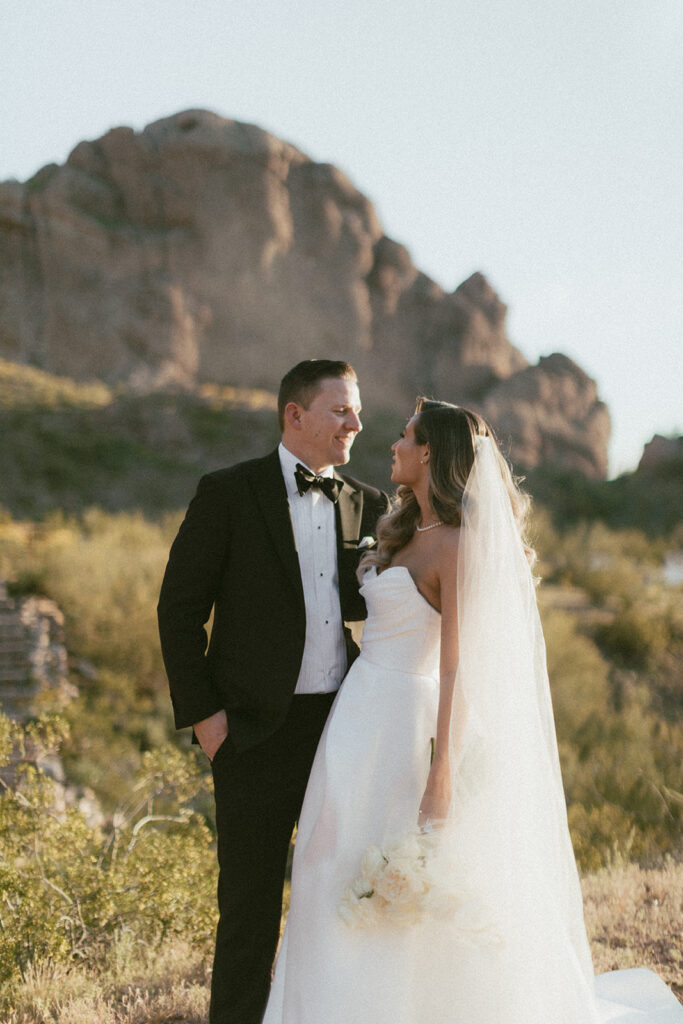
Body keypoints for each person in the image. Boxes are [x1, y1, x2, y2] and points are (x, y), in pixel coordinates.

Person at [262, 399, 680, 1024]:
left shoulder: (457, 547)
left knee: (399, 868)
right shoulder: (404, 527)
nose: (395, 445)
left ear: (429, 452)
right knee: (330, 856)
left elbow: (458, 666)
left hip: (406, 723)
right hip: (356, 720)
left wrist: (443, 770)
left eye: (406, 437)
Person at [157, 359, 390, 1024]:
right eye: (340, 409)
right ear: (295, 415)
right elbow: (177, 611)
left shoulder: (368, 504)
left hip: (340, 733)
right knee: (249, 914)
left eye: (357, 410)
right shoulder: (227, 493)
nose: (356, 422)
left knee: (341, 902)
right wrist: (206, 721)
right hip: (250, 735)